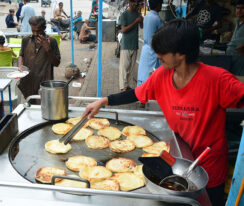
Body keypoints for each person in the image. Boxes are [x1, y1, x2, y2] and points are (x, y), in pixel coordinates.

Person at [82, 19, 244, 206]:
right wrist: (105, 101)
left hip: (208, 168)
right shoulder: (161, 76)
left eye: (163, 51)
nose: (158, 55)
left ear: (181, 54)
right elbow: (136, 94)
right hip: (178, 162)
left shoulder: (217, 79)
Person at [18, 16, 61, 99]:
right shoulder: (26, 40)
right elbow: (21, 55)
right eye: (33, 30)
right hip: (28, 80)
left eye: (38, 31)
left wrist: (48, 49)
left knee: (44, 107)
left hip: (44, 82)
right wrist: (20, 65)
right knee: (30, 104)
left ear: (44, 28)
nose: (35, 34)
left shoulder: (52, 41)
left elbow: (57, 63)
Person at [118, 0, 143, 92]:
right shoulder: (124, 14)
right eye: (134, 2)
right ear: (129, 2)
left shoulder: (137, 13)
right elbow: (123, 30)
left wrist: (140, 18)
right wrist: (136, 21)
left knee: (131, 68)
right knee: (124, 68)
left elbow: (141, 26)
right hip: (126, 44)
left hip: (134, 44)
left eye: (137, 2)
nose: (136, 4)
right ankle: (123, 87)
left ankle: (127, 85)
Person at [137, 0, 163, 86]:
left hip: (146, 49)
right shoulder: (157, 19)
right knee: (150, 76)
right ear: (157, 5)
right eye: (161, 4)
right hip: (152, 50)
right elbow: (163, 35)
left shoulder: (147, 16)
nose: (161, 6)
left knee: (143, 74)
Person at [226, 0, 244, 76]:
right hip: (231, 58)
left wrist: (241, 50)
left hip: (240, 59)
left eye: (242, 8)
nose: (239, 11)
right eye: (237, 8)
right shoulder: (237, 21)